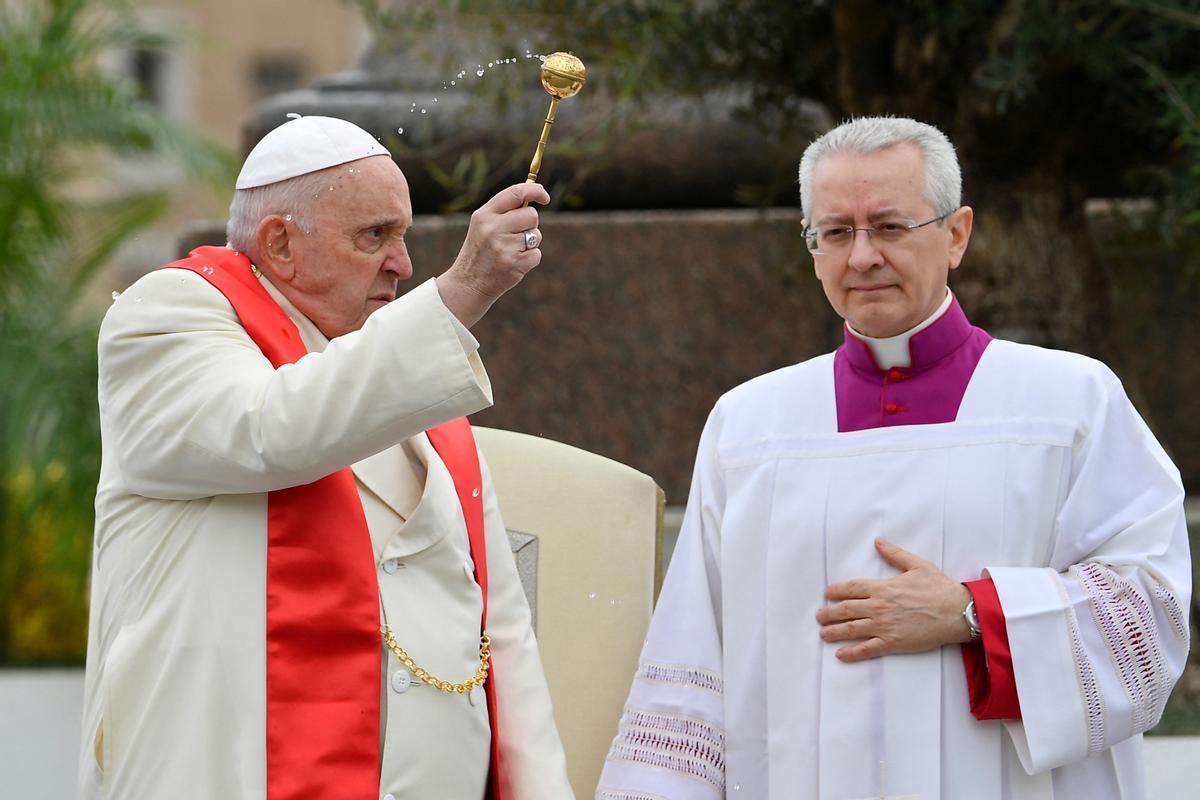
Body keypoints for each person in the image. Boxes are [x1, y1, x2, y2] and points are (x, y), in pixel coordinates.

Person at [597, 116, 1191, 800]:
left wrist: (974, 614)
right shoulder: (750, 425)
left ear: (957, 234)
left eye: (889, 227)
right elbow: (692, 649)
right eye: (836, 232)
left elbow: (1151, 609)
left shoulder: (1069, 403)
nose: (862, 257)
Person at [79, 115, 573, 800]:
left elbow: (505, 636)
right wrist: (461, 293)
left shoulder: (415, 384)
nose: (402, 263)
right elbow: (272, 429)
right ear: (280, 243)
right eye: (375, 236)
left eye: (403, 236)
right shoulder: (165, 318)